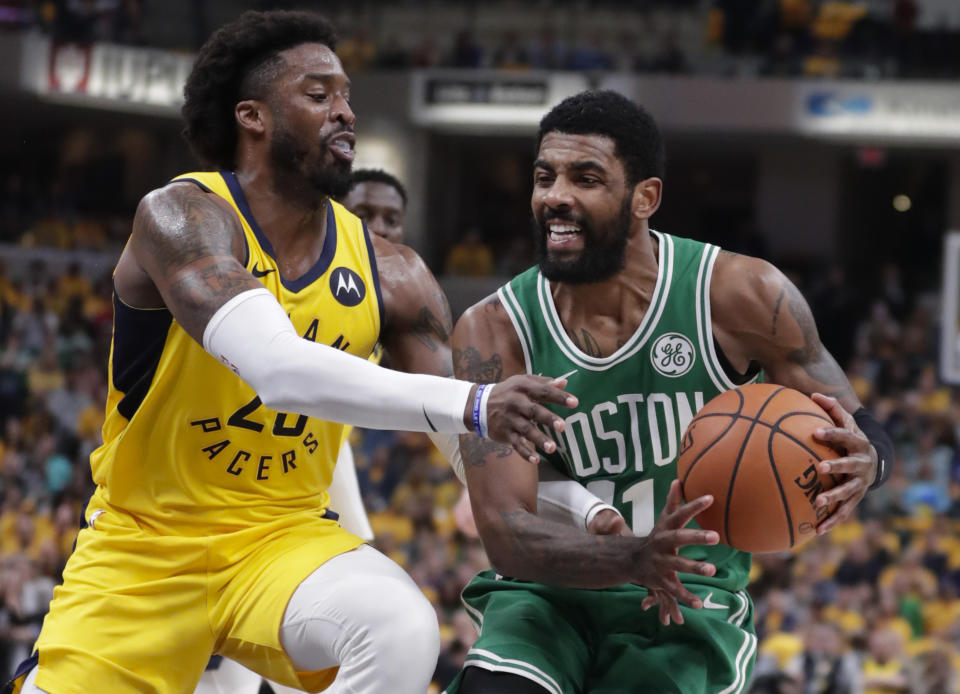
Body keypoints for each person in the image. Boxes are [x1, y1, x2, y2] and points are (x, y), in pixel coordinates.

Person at [8, 11, 579, 694]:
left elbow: (467, 446)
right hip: (146, 544)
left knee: (401, 625)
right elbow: (277, 368)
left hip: (282, 541)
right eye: (318, 95)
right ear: (252, 116)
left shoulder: (393, 273)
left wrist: (590, 510)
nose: (344, 112)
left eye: (346, 96)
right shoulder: (180, 217)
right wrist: (479, 401)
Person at [446, 90, 894, 694]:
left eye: (586, 178)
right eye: (544, 177)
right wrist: (632, 559)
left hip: (691, 597)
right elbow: (506, 534)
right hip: (549, 595)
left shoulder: (740, 294)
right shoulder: (493, 331)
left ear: (644, 198)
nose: (556, 196)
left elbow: (856, 428)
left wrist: (870, 463)